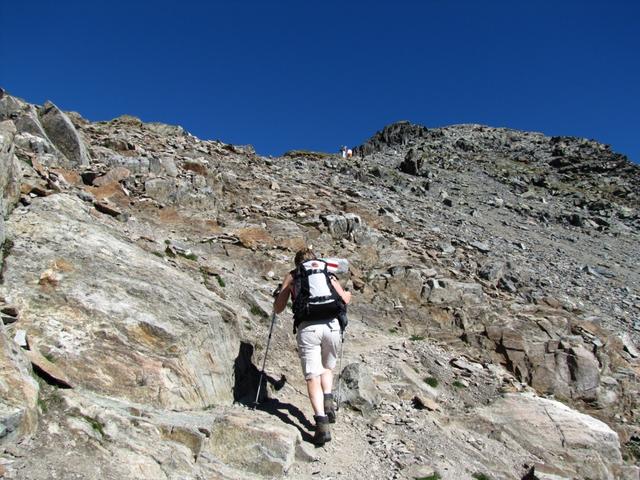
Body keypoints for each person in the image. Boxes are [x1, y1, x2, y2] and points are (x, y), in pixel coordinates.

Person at [273, 247, 352, 445]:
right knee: (327, 367)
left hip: (308, 328)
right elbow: (344, 299)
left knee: (312, 376)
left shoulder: (293, 275)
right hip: (332, 326)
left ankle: (321, 423)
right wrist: (348, 293)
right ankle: (328, 399)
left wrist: (280, 295)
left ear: (297, 263)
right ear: (316, 260)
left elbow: (279, 308)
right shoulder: (327, 273)